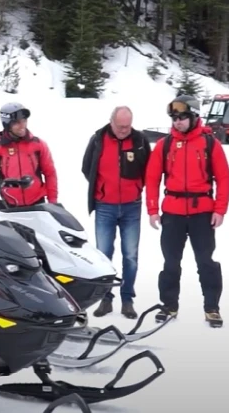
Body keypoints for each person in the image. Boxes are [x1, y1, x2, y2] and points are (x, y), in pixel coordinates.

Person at [144, 95, 229, 327]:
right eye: (174, 118)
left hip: (202, 212)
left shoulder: (209, 143)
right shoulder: (164, 145)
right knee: (170, 262)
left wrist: (220, 209)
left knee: (206, 262)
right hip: (172, 213)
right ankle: (169, 305)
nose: (178, 122)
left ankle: (212, 307)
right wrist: (152, 209)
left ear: (194, 116)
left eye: (182, 117)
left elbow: (223, 178)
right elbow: (152, 178)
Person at [81, 106, 151, 319]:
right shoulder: (98, 140)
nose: (123, 130)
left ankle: (127, 298)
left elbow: (150, 170)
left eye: (127, 126)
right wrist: (101, 189)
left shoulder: (139, 141)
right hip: (105, 206)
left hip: (131, 206)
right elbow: (87, 168)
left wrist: (138, 187)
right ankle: (105, 298)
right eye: (120, 126)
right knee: (103, 255)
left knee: (130, 255)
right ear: (111, 121)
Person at [0, 102, 58, 207]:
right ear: (7, 124)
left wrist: (53, 201)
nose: (22, 125)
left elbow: (50, 173)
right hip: (8, 206)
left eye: (24, 121)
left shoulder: (38, 145)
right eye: (17, 122)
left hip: (37, 205)